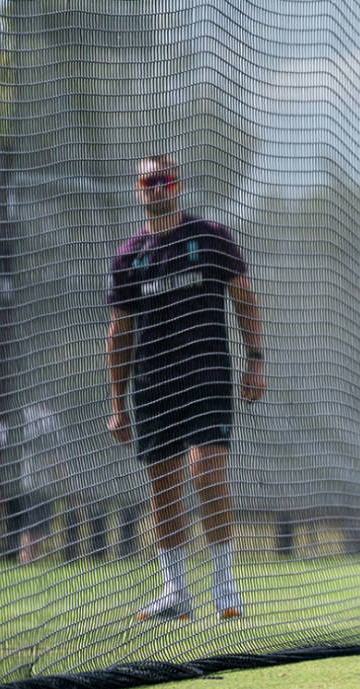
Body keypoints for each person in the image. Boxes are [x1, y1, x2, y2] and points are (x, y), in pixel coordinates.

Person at [106, 154, 265, 621]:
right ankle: (175, 593)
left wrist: (255, 361)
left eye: (163, 180)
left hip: (207, 375)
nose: (155, 188)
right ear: (138, 189)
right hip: (152, 384)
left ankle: (224, 587)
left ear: (177, 186)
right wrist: (117, 403)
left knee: (205, 471)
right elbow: (119, 333)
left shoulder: (210, 238)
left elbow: (244, 298)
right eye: (147, 181)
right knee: (162, 487)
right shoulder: (128, 255)